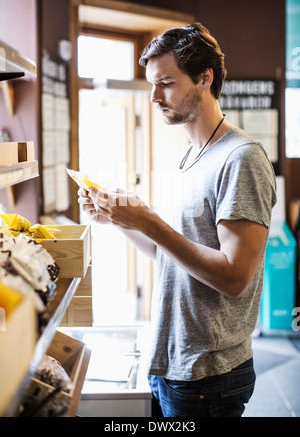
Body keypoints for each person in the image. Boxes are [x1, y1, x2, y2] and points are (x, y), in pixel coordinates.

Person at [78, 23, 277, 417]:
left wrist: (148, 219)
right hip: (172, 361)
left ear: (204, 79)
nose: (153, 97)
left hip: (210, 375)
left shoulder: (241, 158)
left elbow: (236, 277)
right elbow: (169, 253)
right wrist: (119, 219)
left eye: (165, 83)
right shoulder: (188, 157)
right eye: (152, 84)